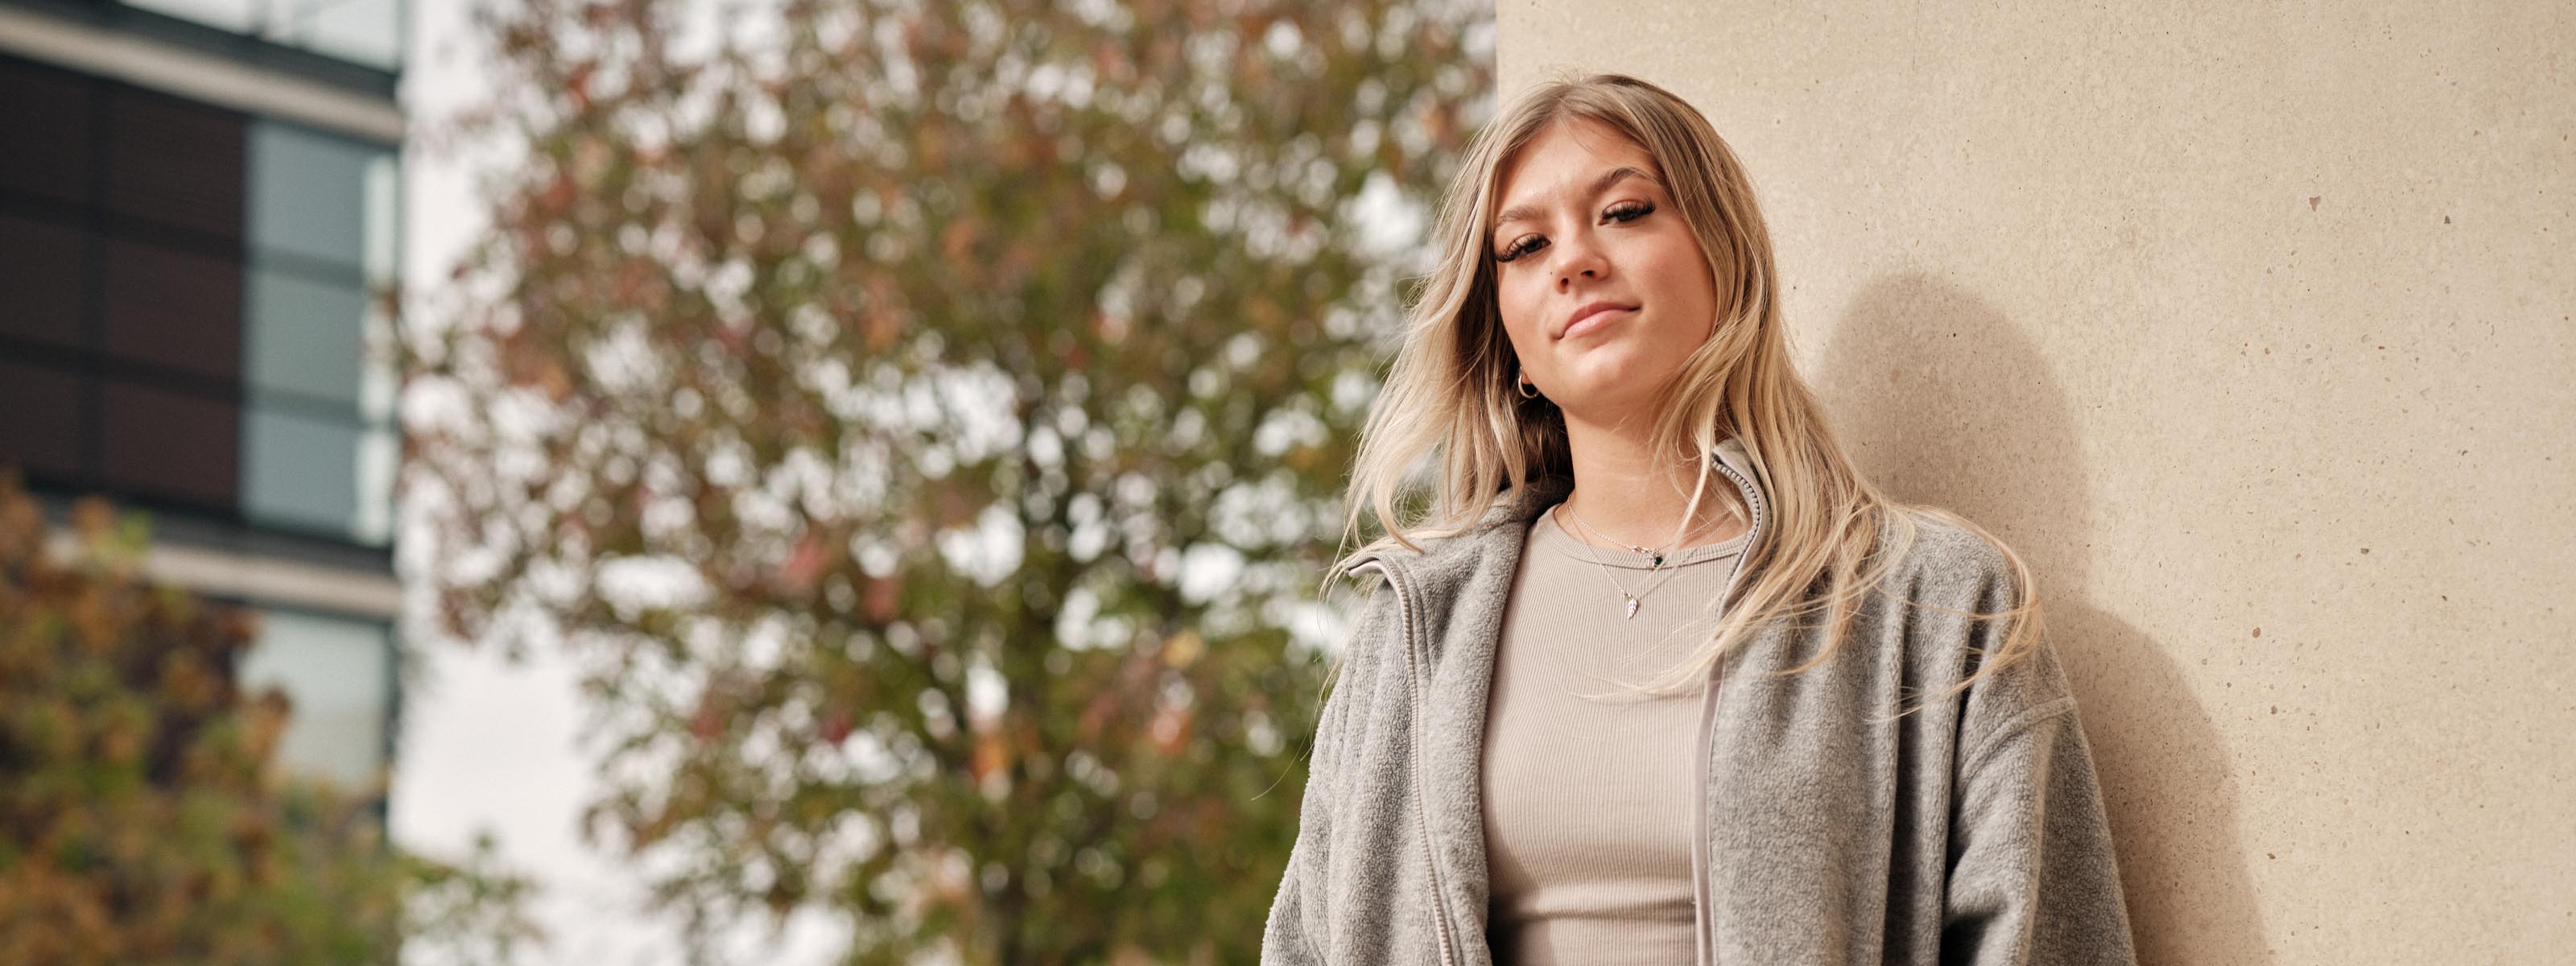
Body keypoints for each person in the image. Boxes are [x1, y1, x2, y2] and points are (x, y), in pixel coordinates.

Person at [1259, 73, 2138, 965]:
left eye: (1626, 211)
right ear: (1504, 330)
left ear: (1724, 253)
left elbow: (2045, 938)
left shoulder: (1934, 606)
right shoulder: (1414, 630)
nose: (1572, 260)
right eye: (1524, 245)